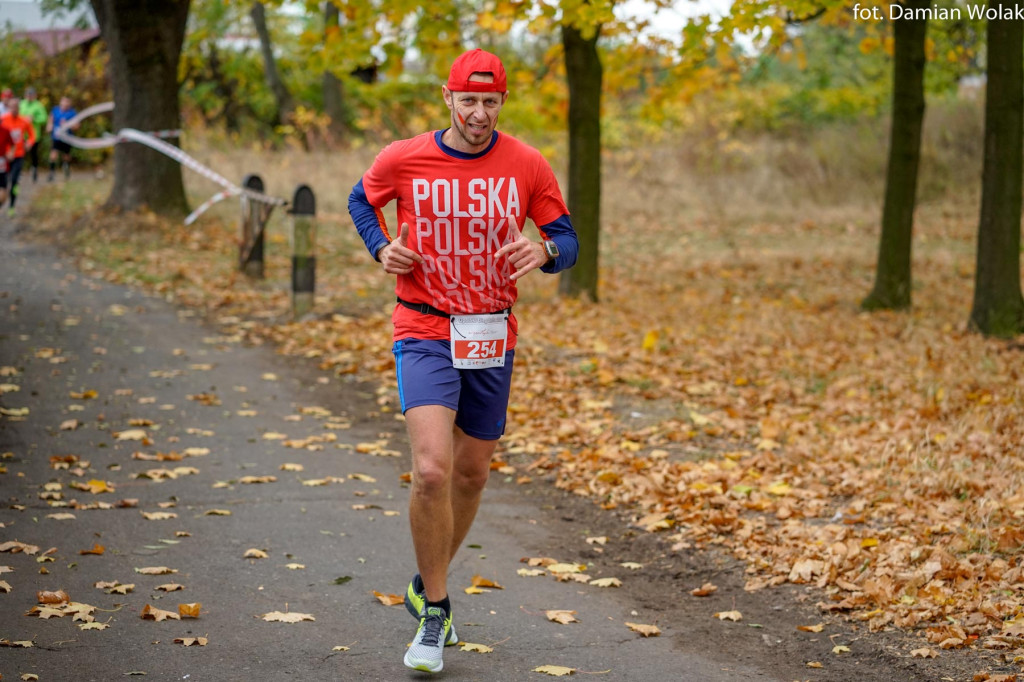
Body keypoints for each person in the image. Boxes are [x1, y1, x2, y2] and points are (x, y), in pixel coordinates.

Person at [348, 48, 578, 674]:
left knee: (472, 474)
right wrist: (381, 247)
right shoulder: (404, 157)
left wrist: (545, 253)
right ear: (447, 97)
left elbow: (568, 240)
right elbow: (360, 201)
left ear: (503, 102)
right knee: (431, 471)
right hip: (423, 325)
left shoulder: (526, 164)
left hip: (491, 334)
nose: (479, 113)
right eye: (468, 100)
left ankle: (427, 582)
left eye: (490, 102)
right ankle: (437, 611)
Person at [0, 98, 36, 217]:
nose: (14, 109)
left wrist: (29, 143)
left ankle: (12, 206)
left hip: (18, 155)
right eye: (12, 107)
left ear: (19, 108)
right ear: (9, 108)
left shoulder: (24, 121)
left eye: (16, 107)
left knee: (14, 180)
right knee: (4, 183)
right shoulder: (3, 119)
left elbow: (32, 135)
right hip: (5, 157)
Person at [20, 87, 48, 183]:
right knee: (20, 153)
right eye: (28, 94)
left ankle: (34, 169)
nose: (29, 96)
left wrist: (34, 119)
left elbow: (44, 118)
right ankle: (19, 170)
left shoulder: (38, 105)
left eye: (31, 95)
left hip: (34, 134)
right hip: (22, 134)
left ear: (34, 96)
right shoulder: (21, 104)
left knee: (33, 154)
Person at [47, 96, 78, 181]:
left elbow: (77, 126)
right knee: (53, 153)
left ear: (70, 103)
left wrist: (68, 124)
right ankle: (51, 172)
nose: (65, 104)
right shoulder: (55, 110)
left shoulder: (72, 113)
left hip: (67, 138)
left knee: (66, 155)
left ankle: (66, 168)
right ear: (61, 102)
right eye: (64, 102)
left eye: (67, 102)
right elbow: (50, 120)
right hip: (56, 137)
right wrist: (49, 126)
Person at [0, 120, 13, 209]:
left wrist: (10, 154)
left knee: (3, 191)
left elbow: (13, 144)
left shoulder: (5, 130)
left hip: (2, 164)